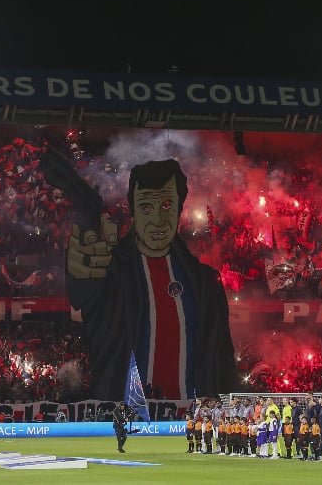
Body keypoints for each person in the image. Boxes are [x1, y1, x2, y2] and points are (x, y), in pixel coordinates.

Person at [64, 159, 238, 400]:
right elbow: (83, 292)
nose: (157, 220)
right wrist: (79, 271)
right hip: (128, 416)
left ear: (179, 207)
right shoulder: (111, 270)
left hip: (192, 418)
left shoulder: (205, 283)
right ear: (133, 209)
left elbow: (223, 362)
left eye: (166, 205)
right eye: (146, 207)